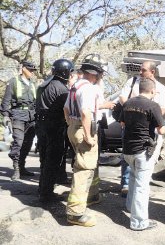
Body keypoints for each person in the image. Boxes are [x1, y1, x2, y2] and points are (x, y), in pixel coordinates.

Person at [63, 54, 113, 227]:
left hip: (74, 127)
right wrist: (88, 135)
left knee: (91, 164)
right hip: (85, 128)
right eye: (100, 73)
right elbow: (86, 112)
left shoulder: (75, 85)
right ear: (95, 73)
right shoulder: (89, 88)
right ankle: (75, 213)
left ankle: (91, 196)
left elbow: (66, 109)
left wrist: (72, 124)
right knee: (84, 169)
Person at [121, 78, 165, 231]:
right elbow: (161, 130)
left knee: (133, 178)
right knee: (142, 186)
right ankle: (139, 222)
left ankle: (130, 207)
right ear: (152, 91)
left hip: (128, 149)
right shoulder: (153, 105)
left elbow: (122, 123)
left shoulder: (128, 103)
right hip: (143, 151)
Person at [119, 61, 165, 196]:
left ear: (152, 72)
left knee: (145, 158)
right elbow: (122, 97)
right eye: (140, 70)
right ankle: (126, 184)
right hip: (129, 124)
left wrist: (153, 116)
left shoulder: (161, 88)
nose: (140, 73)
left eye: (143, 70)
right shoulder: (132, 81)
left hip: (149, 127)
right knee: (127, 155)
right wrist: (134, 109)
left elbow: (163, 107)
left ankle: (141, 186)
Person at [36, 59, 74, 202]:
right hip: (54, 127)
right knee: (52, 161)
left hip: (41, 126)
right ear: (65, 72)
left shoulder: (43, 85)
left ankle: (42, 189)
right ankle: (46, 194)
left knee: (44, 160)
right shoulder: (62, 89)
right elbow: (67, 110)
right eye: (70, 72)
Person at [1, 61, 37, 180]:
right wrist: (5, 116)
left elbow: (36, 101)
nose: (31, 72)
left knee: (28, 143)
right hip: (18, 115)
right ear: (23, 69)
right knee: (18, 142)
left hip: (31, 116)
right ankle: (16, 168)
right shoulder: (13, 82)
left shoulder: (33, 83)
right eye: (30, 70)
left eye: (33, 70)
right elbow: (6, 101)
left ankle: (22, 166)